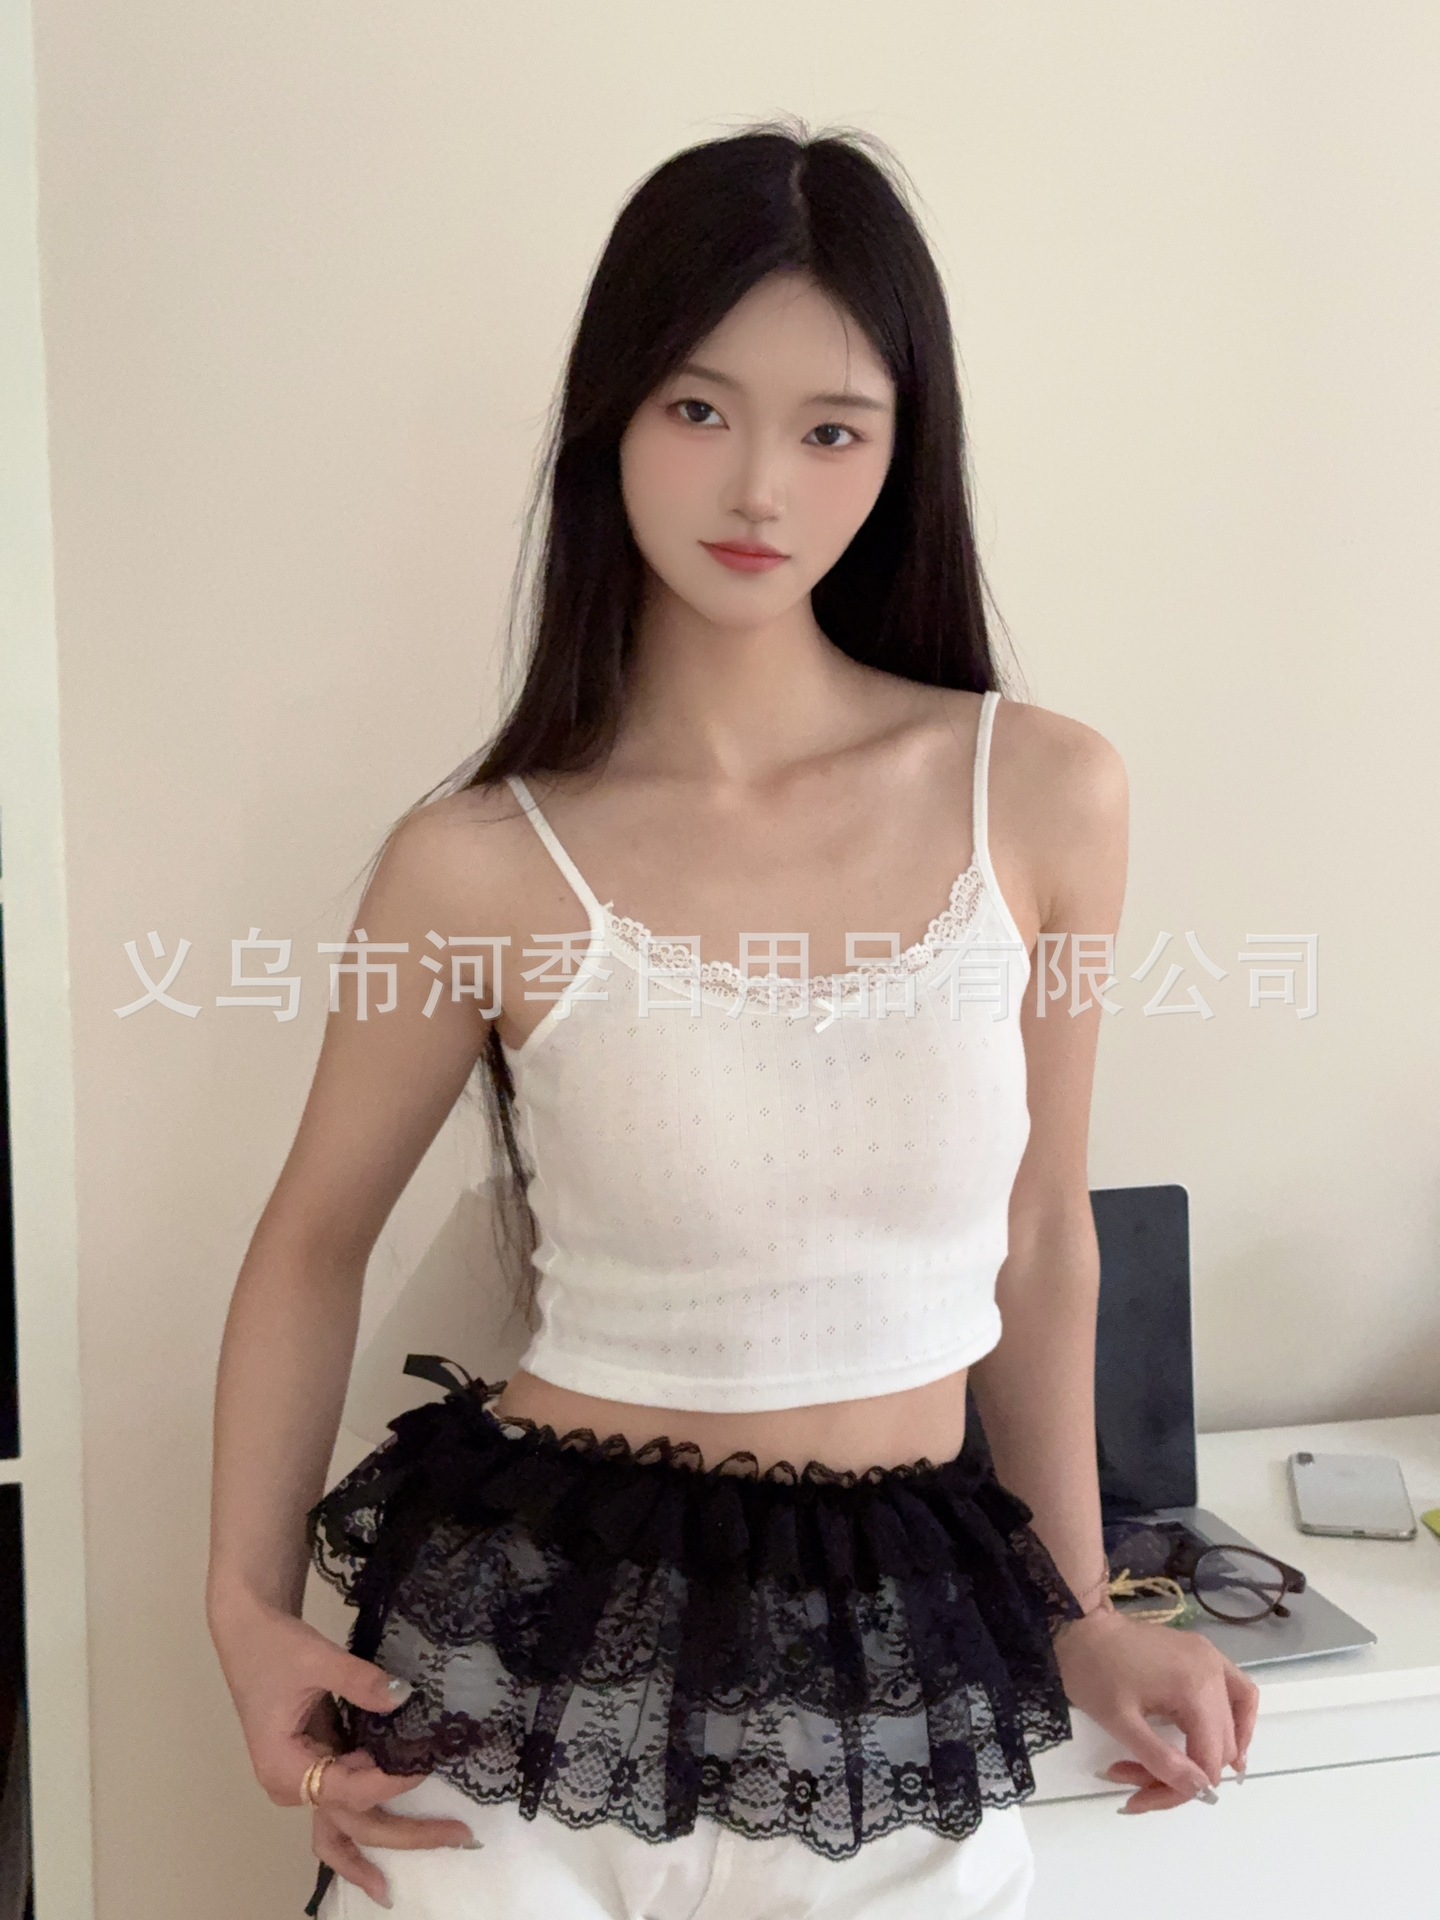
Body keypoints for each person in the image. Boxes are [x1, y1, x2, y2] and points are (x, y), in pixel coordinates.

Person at [207, 121, 1260, 1919]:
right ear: (611, 419)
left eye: (831, 429)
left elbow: (1040, 1241)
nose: (759, 486)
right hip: (529, 1676)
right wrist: (240, 1612)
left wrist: (1081, 1613)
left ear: (901, 455)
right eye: (699, 409)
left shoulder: (1042, 793)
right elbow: (312, 1239)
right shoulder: (474, 861)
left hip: (895, 1664)